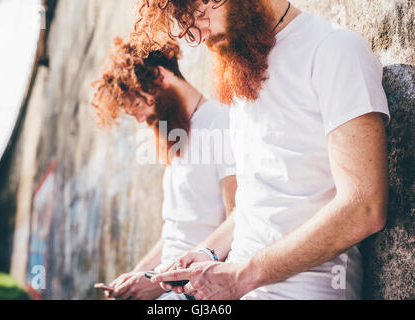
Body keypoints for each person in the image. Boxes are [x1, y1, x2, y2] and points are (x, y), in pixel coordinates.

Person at [136, 0, 391, 299]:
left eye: (203, 16)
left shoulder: (334, 50)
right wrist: (208, 253)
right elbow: (252, 205)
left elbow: (365, 208)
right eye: (192, 31)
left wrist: (244, 276)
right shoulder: (244, 73)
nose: (203, 36)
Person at [91, 36, 237, 300]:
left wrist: (157, 282)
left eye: (137, 104)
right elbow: (175, 234)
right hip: (166, 284)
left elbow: (238, 221)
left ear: (160, 77)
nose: (139, 117)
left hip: (194, 289)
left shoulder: (220, 124)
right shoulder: (177, 136)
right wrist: (133, 278)